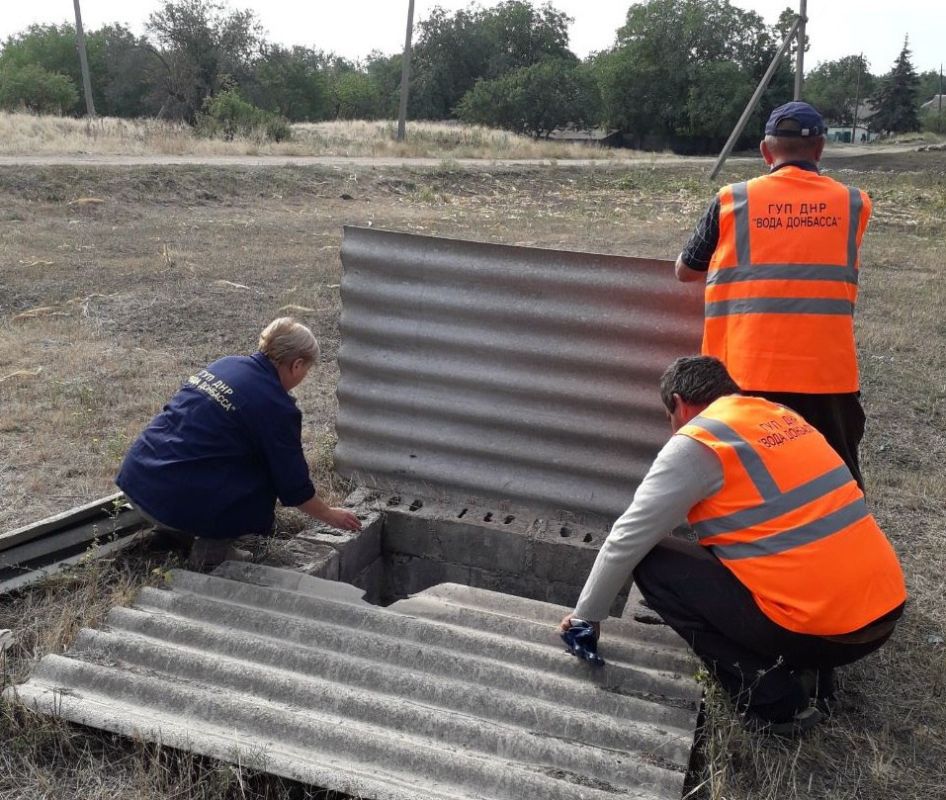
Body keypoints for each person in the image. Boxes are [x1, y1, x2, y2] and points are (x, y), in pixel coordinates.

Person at [560, 356, 906, 735]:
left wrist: (584, 617)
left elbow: (627, 537)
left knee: (652, 561)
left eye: (668, 417)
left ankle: (775, 700)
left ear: (678, 403)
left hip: (822, 630)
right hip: (883, 611)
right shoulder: (780, 416)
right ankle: (814, 672)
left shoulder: (700, 441)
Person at [675, 101, 873, 489]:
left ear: (766, 151)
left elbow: (686, 271)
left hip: (743, 372)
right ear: (819, 149)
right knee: (834, 483)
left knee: (743, 482)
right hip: (826, 376)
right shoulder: (854, 203)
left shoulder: (732, 200)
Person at [117, 318, 361, 568]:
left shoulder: (226, 364)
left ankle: (177, 532)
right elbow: (293, 485)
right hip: (171, 501)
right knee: (263, 476)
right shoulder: (276, 407)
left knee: (221, 453)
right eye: (306, 370)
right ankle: (212, 554)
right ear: (297, 365)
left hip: (138, 478)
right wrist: (329, 515)